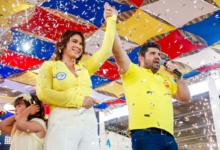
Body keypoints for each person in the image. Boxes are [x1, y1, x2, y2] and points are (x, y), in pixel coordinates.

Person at [36, 3, 117, 150]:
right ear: (63, 43)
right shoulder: (49, 66)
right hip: (62, 118)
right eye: (74, 41)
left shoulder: (85, 67)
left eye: (81, 44)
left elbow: (105, 50)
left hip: (89, 119)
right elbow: (43, 93)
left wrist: (111, 20)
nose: (79, 46)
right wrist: (79, 100)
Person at [112, 32, 191, 149]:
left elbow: (186, 98)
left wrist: (178, 77)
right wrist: (111, 22)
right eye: (152, 53)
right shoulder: (132, 71)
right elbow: (118, 51)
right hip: (145, 135)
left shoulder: (167, 79)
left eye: (159, 54)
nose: (158, 57)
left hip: (169, 137)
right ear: (141, 58)